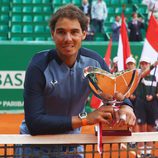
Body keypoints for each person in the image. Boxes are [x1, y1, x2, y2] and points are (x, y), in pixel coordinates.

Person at [16, 4, 136, 157]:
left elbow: (114, 93)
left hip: (72, 146)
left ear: (84, 34)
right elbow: (35, 123)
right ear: (52, 34)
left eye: (74, 32)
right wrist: (86, 119)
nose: (68, 39)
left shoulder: (94, 62)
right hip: (34, 147)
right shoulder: (38, 66)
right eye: (61, 32)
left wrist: (126, 106)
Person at [134, 57, 158, 158]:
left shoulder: (155, 78)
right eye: (142, 64)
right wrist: (153, 65)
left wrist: (153, 96)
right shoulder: (138, 74)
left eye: (145, 64)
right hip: (140, 104)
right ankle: (141, 153)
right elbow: (144, 73)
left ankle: (148, 152)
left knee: (151, 127)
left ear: (148, 64)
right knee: (141, 128)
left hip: (152, 105)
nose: (143, 65)